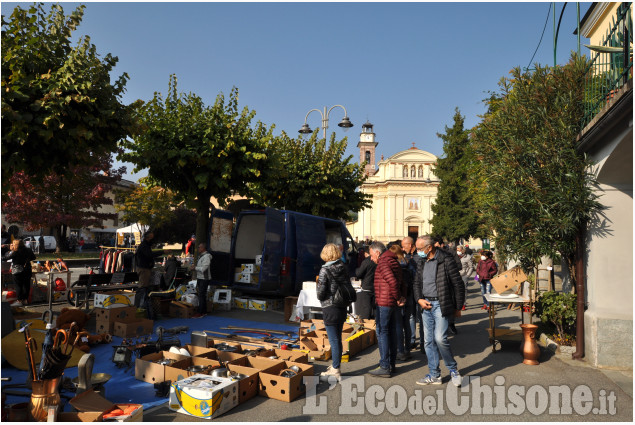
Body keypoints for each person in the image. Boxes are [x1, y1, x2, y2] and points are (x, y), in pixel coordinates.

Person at [413, 235, 464, 387]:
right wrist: (419, 299)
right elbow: (416, 283)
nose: (418, 251)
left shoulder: (446, 260)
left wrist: (458, 307)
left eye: (420, 249)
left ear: (429, 248)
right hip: (425, 304)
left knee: (440, 339)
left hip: (441, 304)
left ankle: (453, 370)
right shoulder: (421, 261)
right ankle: (434, 375)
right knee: (428, 342)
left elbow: (458, 284)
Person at [315, 243, 351, 382]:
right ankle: (336, 365)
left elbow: (320, 293)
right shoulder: (343, 267)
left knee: (334, 339)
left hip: (330, 306)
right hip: (342, 305)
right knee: (338, 337)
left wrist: (317, 289)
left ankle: (336, 369)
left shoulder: (325, 270)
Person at [369, 241, 405, 377]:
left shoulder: (383, 262)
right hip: (390, 302)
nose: (371, 259)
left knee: (383, 332)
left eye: (372, 256)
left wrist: (397, 297)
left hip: (385, 302)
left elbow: (393, 282)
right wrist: (400, 297)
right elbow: (400, 281)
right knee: (391, 332)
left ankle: (385, 365)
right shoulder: (393, 260)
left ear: (377, 253)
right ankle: (391, 364)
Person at [391, 244, 416, 361]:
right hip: (409, 295)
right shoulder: (409, 262)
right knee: (407, 323)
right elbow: (415, 278)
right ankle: (408, 349)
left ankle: (400, 350)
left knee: (398, 325)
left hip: (399, 297)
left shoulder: (396, 265)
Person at [2, 239, 36, 306]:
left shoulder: (16, 252)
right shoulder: (28, 250)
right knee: (26, 285)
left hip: (17, 270)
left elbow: (6, 258)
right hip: (27, 269)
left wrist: (11, 251)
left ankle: (19, 300)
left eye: (13, 244)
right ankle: (25, 300)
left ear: (16, 245)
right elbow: (33, 257)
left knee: (18, 285)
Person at [400, 237, 419, 350]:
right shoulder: (404, 257)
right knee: (411, 316)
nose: (403, 248)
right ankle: (411, 339)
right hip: (409, 291)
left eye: (404, 245)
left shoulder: (418, 257)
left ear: (410, 245)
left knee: (419, 316)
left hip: (417, 290)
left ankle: (422, 342)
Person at [355, 243, 382, 320]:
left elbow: (359, 273)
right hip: (376, 287)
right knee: (375, 310)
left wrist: (356, 270)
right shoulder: (379, 261)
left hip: (367, 287)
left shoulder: (367, 261)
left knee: (366, 309)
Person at [134, 231, 156, 312]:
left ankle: (142, 305)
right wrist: (162, 252)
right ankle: (138, 306)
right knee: (142, 288)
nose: (152, 240)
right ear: (147, 238)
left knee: (144, 287)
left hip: (145, 268)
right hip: (144, 269)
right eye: (151, 238)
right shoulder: (144, 246)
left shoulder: (146, 246)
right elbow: (149, 255)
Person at [191, 243, 213, 318]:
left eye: (199, 247)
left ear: (203, 248)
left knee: (201, 295)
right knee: (202, 295)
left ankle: (200, 312)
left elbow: (204, 268)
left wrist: (195, 268)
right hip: (201, 278)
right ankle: (203, 311)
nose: (198, 248)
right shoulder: (202, 256)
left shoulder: (206, 257)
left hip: (204, 278)